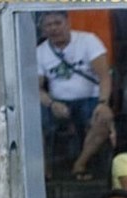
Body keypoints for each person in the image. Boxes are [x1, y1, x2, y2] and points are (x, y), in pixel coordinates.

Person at [37, 11, 113, 180]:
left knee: (103, 119)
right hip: (57, 102)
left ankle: (80, 164)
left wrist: (103, 103)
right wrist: (51, 104)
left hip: (91, 99)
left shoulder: (88, 41)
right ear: (43, 29)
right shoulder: (40, 52)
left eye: (58, 23)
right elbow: (36, 88)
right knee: (33, 124)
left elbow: (104, 76)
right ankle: (44, 172)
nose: (54, 28)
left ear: (68, 23)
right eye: (48, 25)